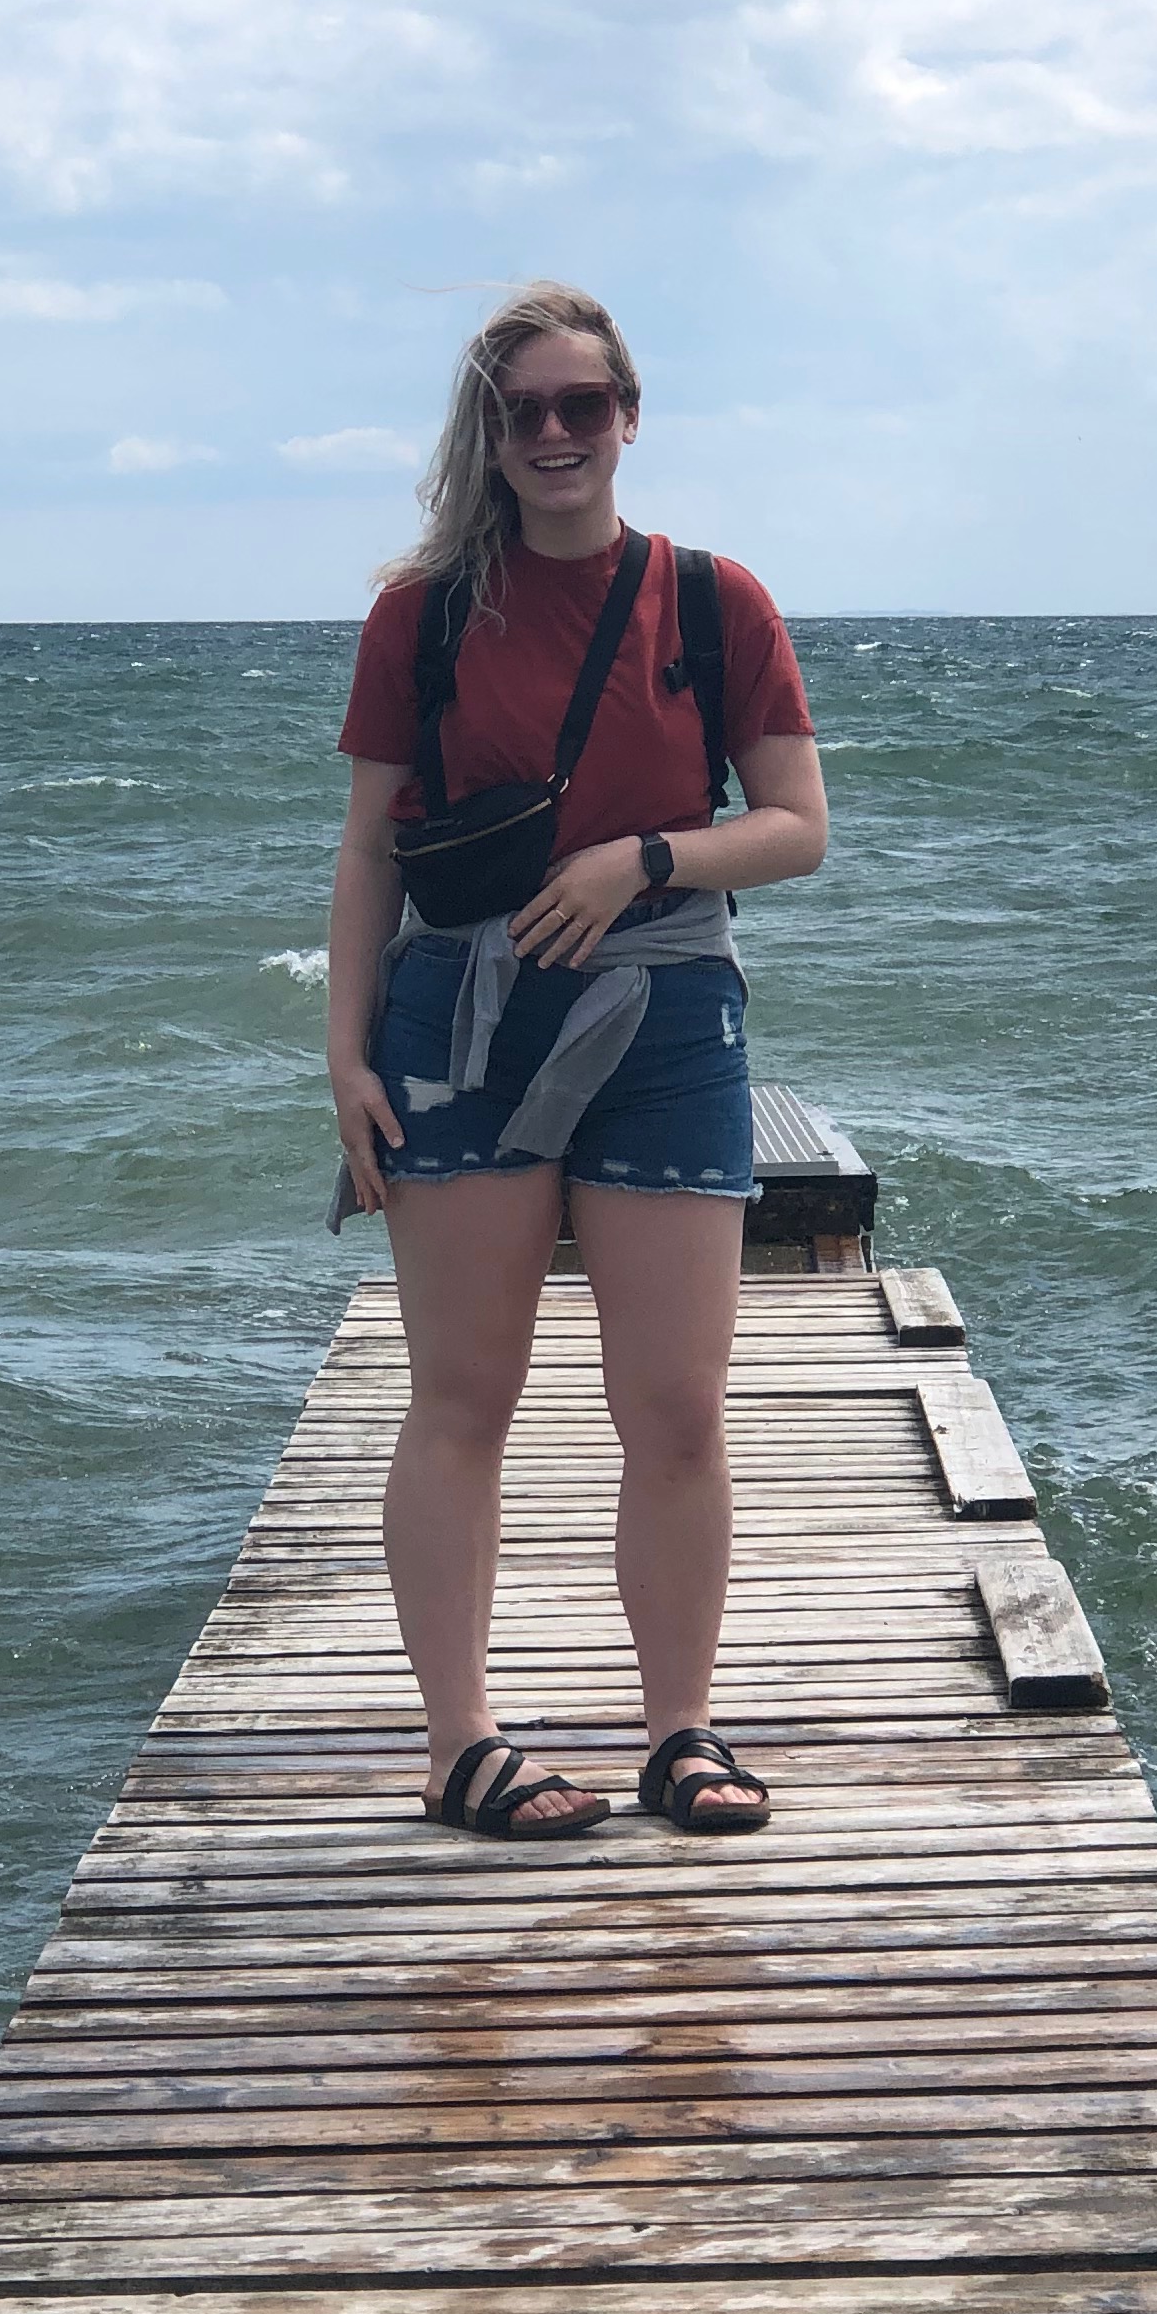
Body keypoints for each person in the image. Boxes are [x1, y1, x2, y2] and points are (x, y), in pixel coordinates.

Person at [325, 282, 830, 1840]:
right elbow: (370, 852)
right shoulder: (422, 617)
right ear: (488, 433)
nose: (554, 432)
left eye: (582, 404)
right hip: (458, 1024)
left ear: (629, 418)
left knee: (676, 1405)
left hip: (667, 1018)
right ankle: (460, 1746)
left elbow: (797, 828)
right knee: (462, 1396)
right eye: (522, 409)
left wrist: (643, 860)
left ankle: (683, 1731)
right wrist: (344, 1056)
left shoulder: (712, 601)